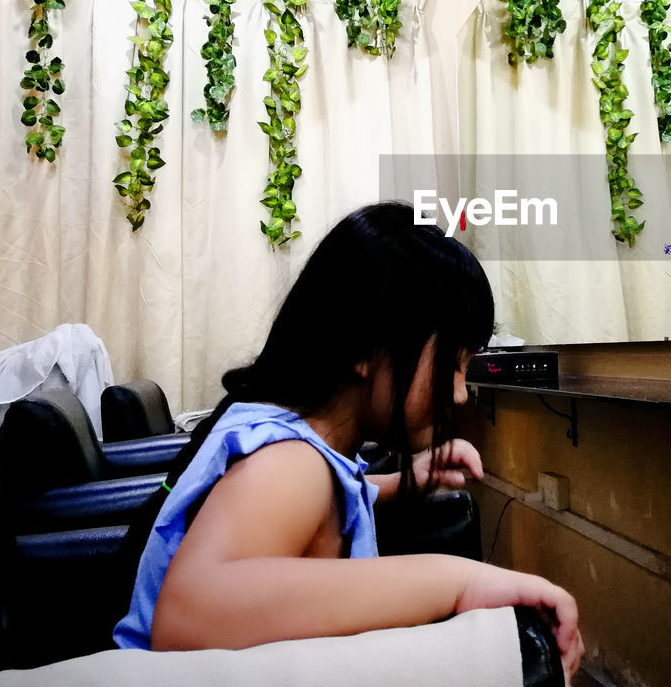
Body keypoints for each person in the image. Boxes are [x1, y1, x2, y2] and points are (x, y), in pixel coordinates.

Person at [113, 202, 582, 681]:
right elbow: (188, 617)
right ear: (364, 347)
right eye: (453, 363)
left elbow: (315, 513)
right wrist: (460, 582)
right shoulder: (290, 463)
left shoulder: (304, 442)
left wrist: (403, 482)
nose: (460, 393)